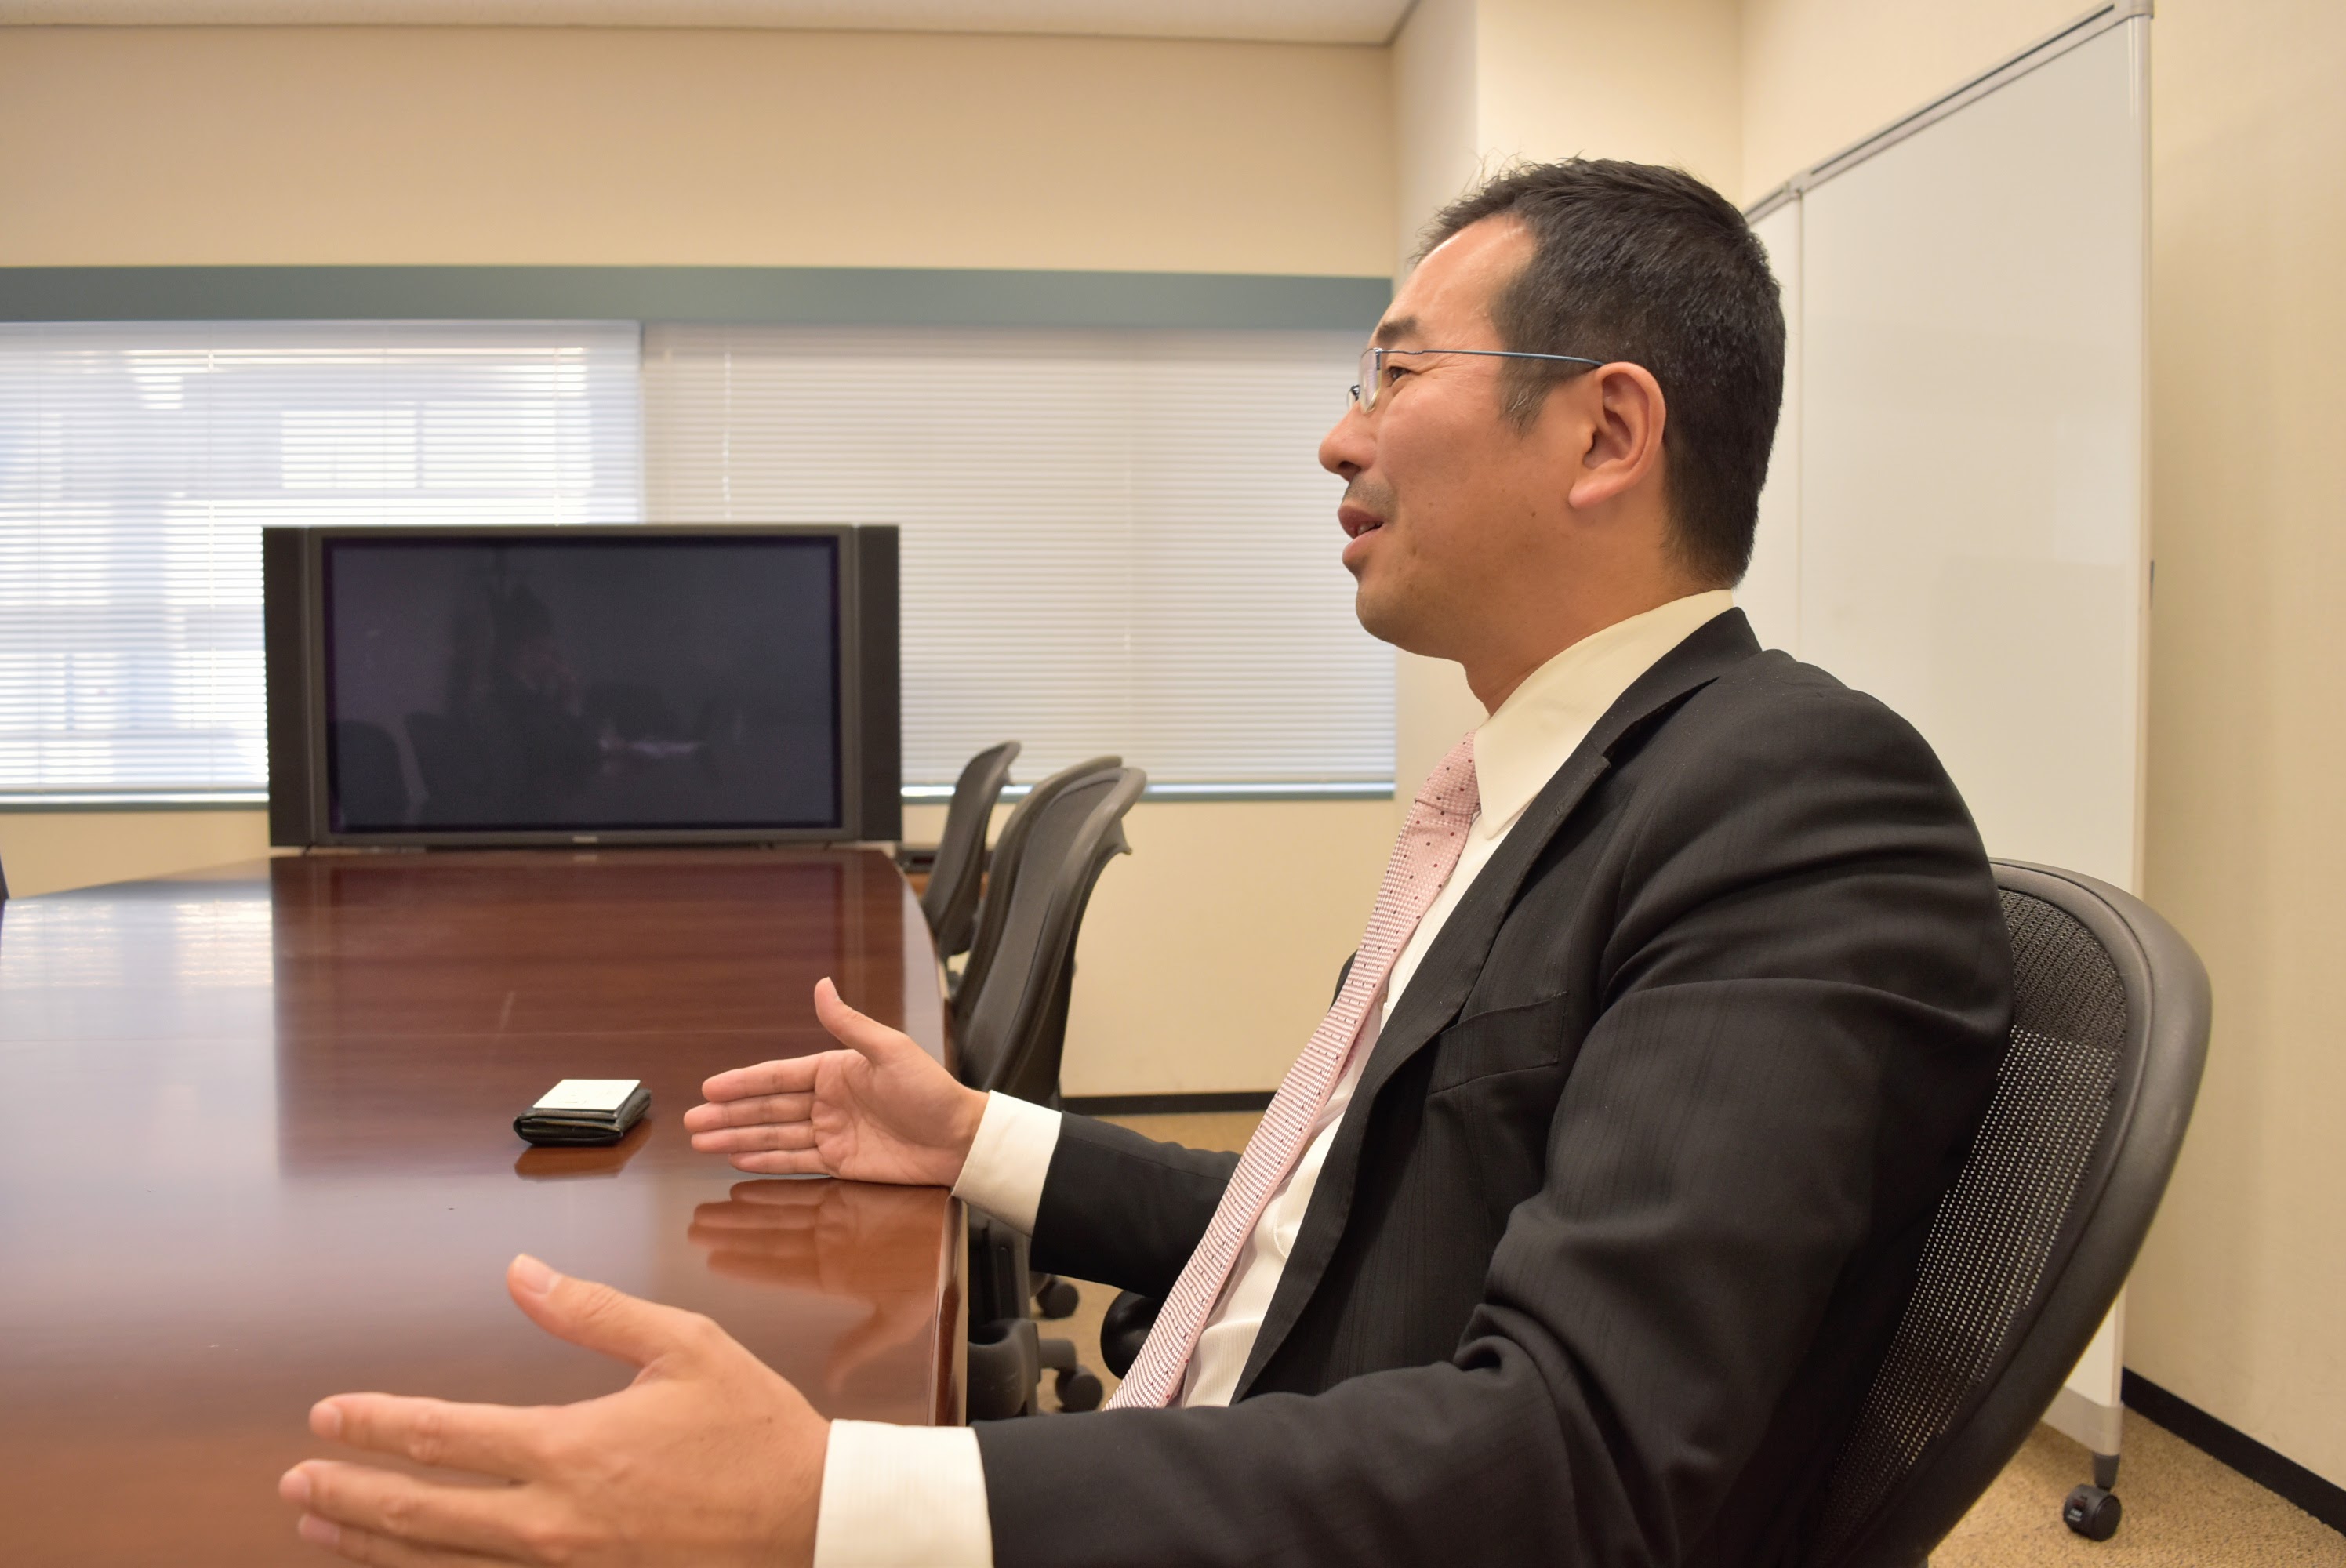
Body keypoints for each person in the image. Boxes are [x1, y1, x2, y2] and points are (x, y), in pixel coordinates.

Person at [276, 158, 2012, 1568]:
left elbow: (1585, 1462)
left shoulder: (1790, 799)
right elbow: (1334, 1223)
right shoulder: (1534, 792)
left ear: (1606, 434)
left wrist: (846, 1500)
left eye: (1398, 374)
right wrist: (974, 1138)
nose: (1339, 438)